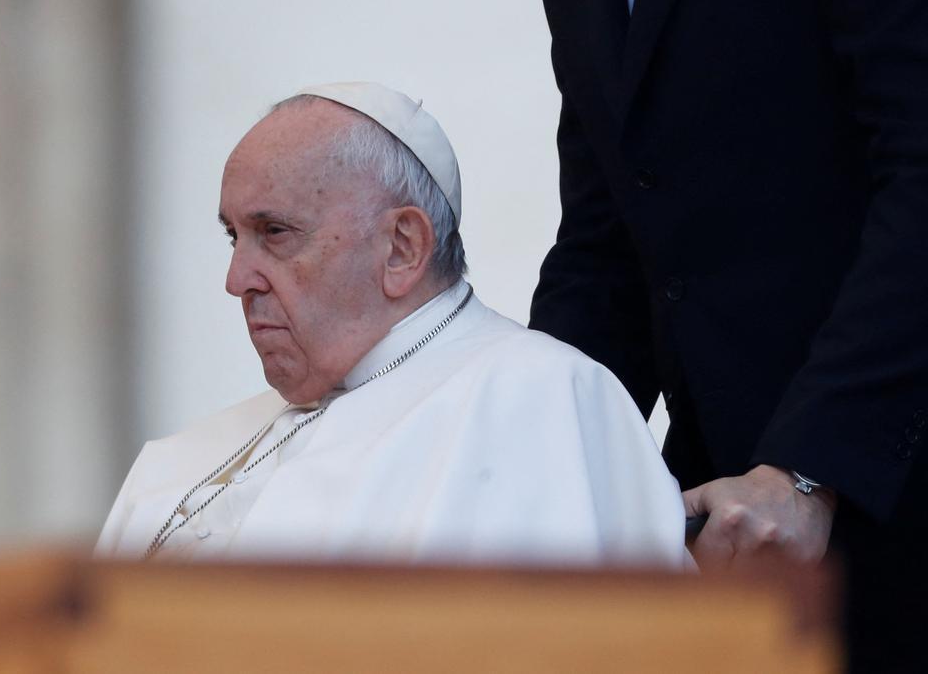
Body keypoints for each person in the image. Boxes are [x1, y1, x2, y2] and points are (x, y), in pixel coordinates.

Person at [98, 81, 686, 568]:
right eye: (234, 236)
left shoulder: (540, 398)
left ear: (403, 248)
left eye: (274, 233)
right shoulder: (191, 454)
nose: (236, 279)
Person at [529, 1, 928, 670]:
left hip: (896, 479)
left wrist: (809, 472)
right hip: (718, 509)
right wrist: (525, 453)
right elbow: (606, 236)